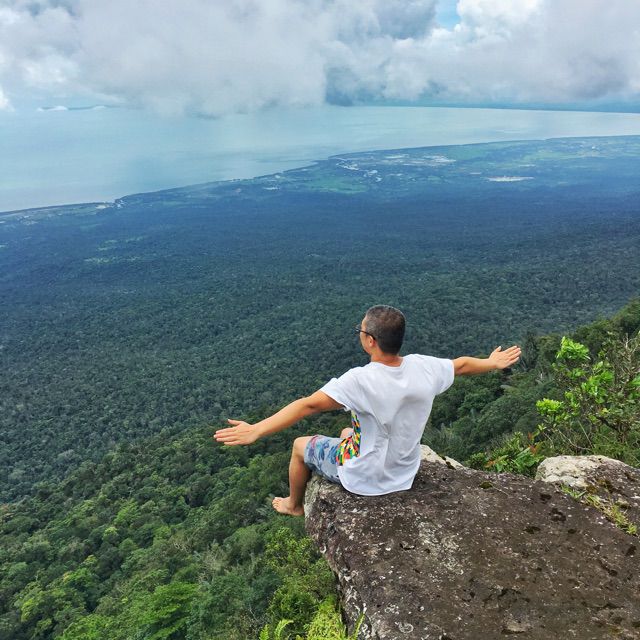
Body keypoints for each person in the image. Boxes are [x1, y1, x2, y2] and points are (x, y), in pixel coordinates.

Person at [213, 305, 521, 516]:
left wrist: (257, 429)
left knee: (298, 446)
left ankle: (293, 505)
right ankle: (346, 449)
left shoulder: (360, 381)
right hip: (404, 470)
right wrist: (491, 363)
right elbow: (462, 365)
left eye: (360, 331)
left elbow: (307, 405)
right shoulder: (424, 367)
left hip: (366, 478)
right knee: (347, 431)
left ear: (371, 341)